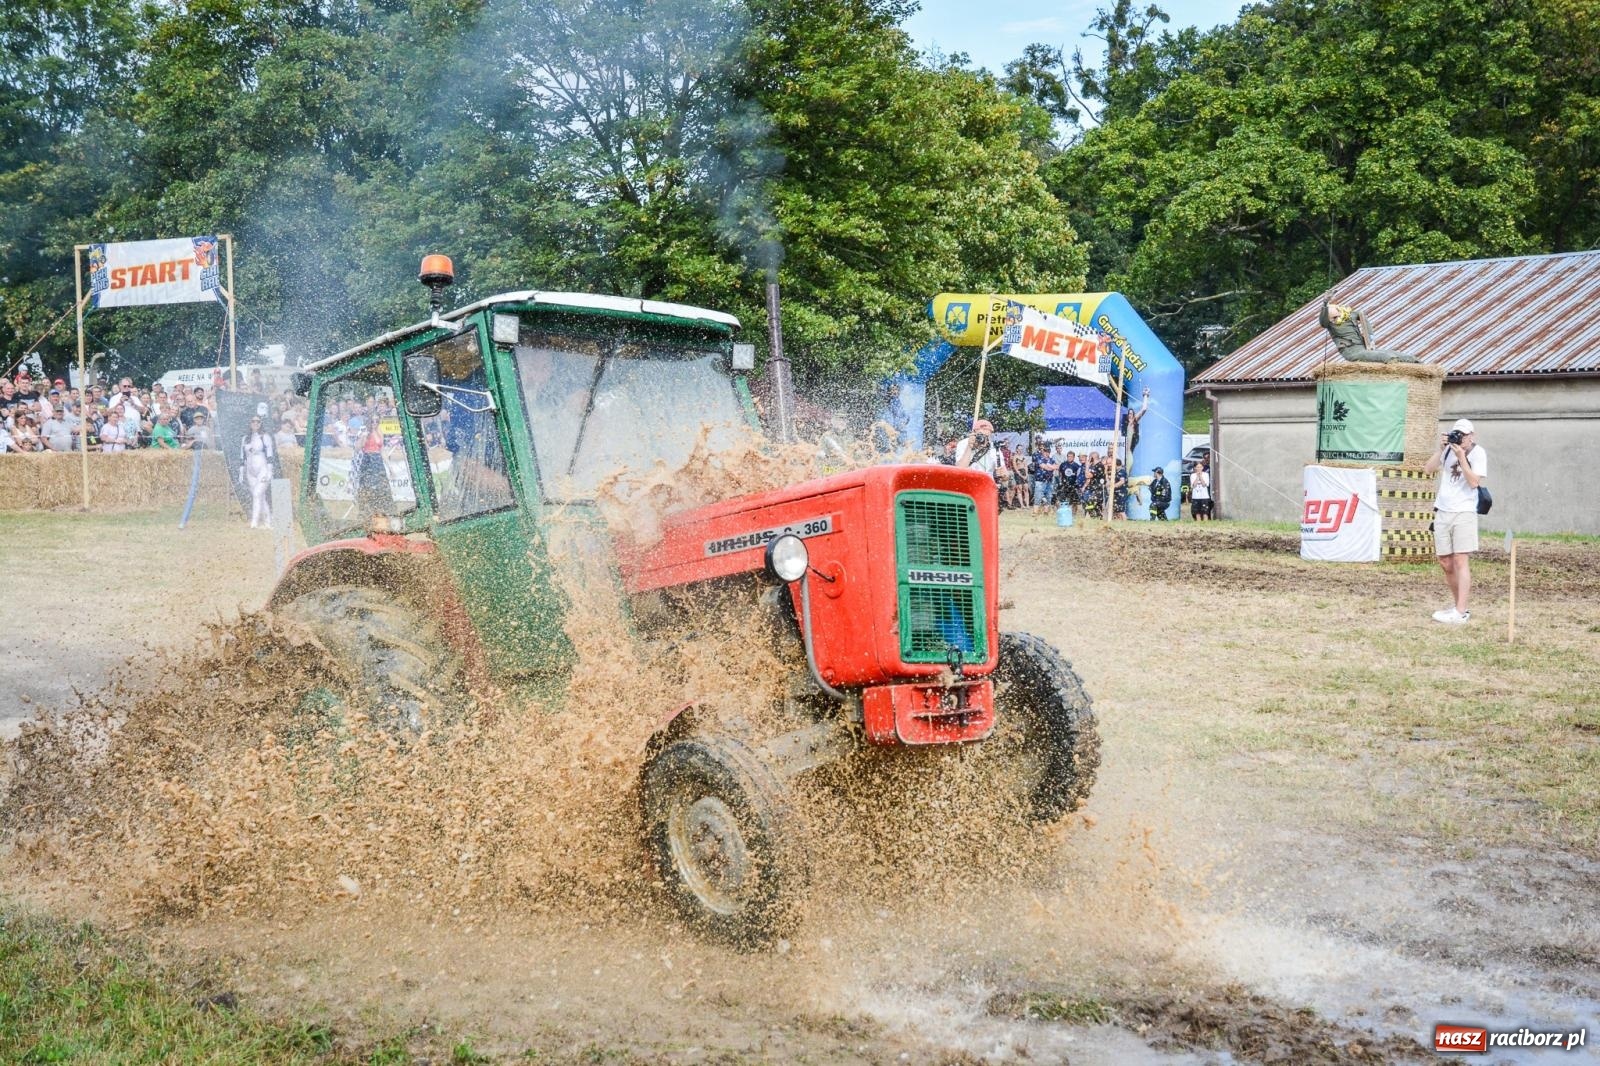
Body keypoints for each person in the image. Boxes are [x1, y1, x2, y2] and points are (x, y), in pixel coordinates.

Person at [1423, 418, 1487, 624]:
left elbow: (1474, 481)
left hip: (1464, 511)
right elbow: (1428, 469)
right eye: (1457, 434)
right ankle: (1460, 606)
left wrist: (1462, 458)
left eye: (1464, 435)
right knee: (1445, 562)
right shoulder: (1448, 450)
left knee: (1461, 559)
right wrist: (1441, 450)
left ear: (1472, 436)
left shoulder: (1478, 453)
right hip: (1443, 510)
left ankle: (1460, 611)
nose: (1460, 439)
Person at [237, 414, 277, 528]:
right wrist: (241, 472)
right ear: (250, 423)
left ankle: (254, 522)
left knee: (257, 494)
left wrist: (269, 471)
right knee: (261, 496)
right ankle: (268, 521)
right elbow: (242, 456)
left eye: (258, 422)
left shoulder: (265, 437)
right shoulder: (245, 438)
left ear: (261, 423)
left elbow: (270, 456)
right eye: (253, 421)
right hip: (250, 471)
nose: (255, 423)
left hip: (263, 469)